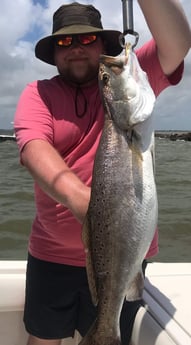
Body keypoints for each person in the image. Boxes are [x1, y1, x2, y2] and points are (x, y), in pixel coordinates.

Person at [14, 2, 190, 345]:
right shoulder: (38, 94)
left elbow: (178, 43)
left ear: (103, 44)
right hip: (51, 258)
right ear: (53, 52)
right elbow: (33, 150)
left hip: (127, 255)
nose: (76, 47)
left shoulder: (126, 80)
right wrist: (91, 208)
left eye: (87, 38)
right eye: (65, 42)